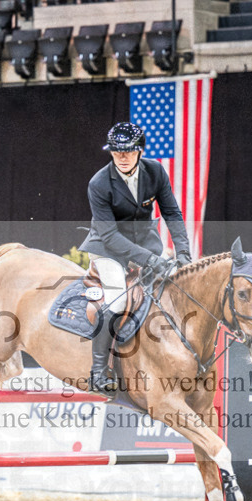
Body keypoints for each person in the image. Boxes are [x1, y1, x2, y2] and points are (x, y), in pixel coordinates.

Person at [78, 122, 192, 393]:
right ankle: (98, 371)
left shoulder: (155, 171)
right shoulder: (99, 183)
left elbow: (172, 213)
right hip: (108, 248)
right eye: (117, 151)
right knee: (118, 301)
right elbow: (110, 236)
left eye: (128, 151)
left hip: (145, 243)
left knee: (174, 289)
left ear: (140, 151)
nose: (122, 157)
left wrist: (183, 252)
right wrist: (150, 260)